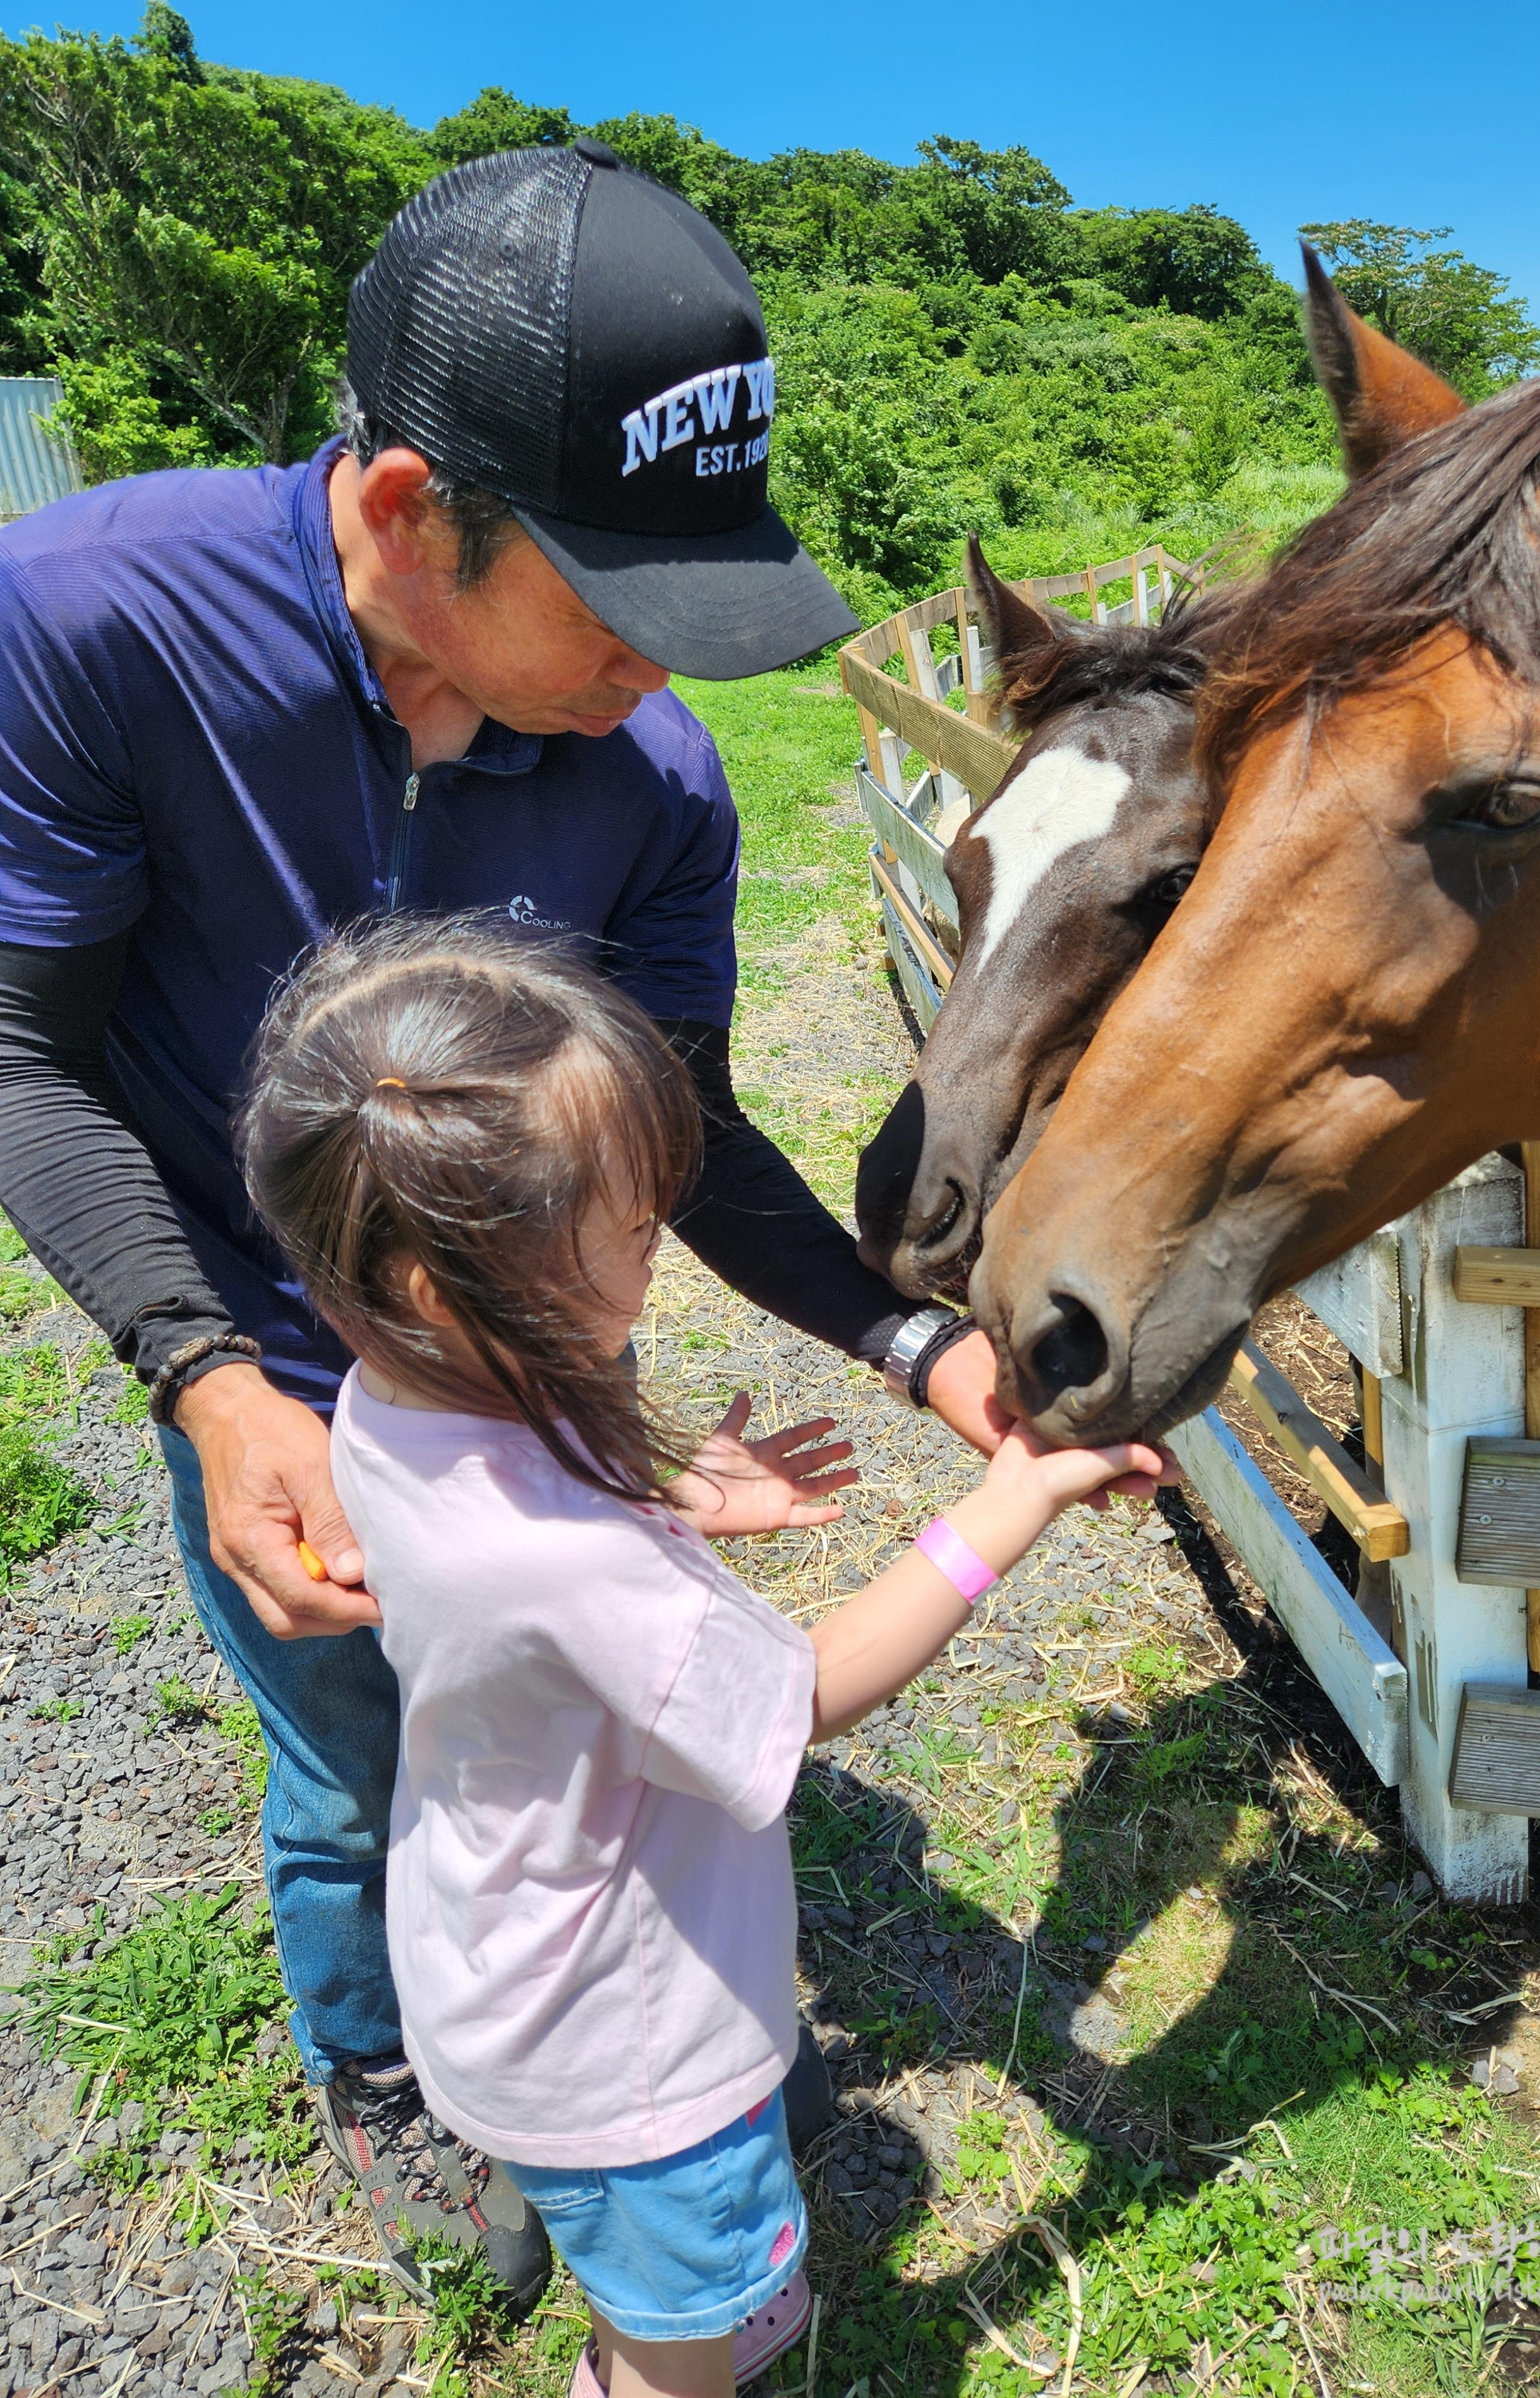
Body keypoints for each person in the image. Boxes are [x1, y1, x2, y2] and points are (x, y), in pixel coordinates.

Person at [0, 139, 1007, 2304]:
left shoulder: (651, 787)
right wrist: (196, 1380)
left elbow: (692, 1142)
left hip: (538, 1340)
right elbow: (13, 1043)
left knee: (556, 1743)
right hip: (274, 1374)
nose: (678, 668)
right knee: (357, 1756)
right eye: (629, 601)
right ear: (398, 515)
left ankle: (604, 2046)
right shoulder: (99, 628)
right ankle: (382, 2066)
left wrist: (917, 1346)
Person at [237, 917, 1168, 2398]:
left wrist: (658, 1482)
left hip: (492, 1949)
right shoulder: (569, 1558)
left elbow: (523, 1524)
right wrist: (1010, 1503)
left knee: (664, 2277)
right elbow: (800, 1697)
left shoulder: (387, 1397)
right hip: (631, 2051)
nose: (659, 1241)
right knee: (685, 2341)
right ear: (442, 1286)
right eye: (625, 1222)